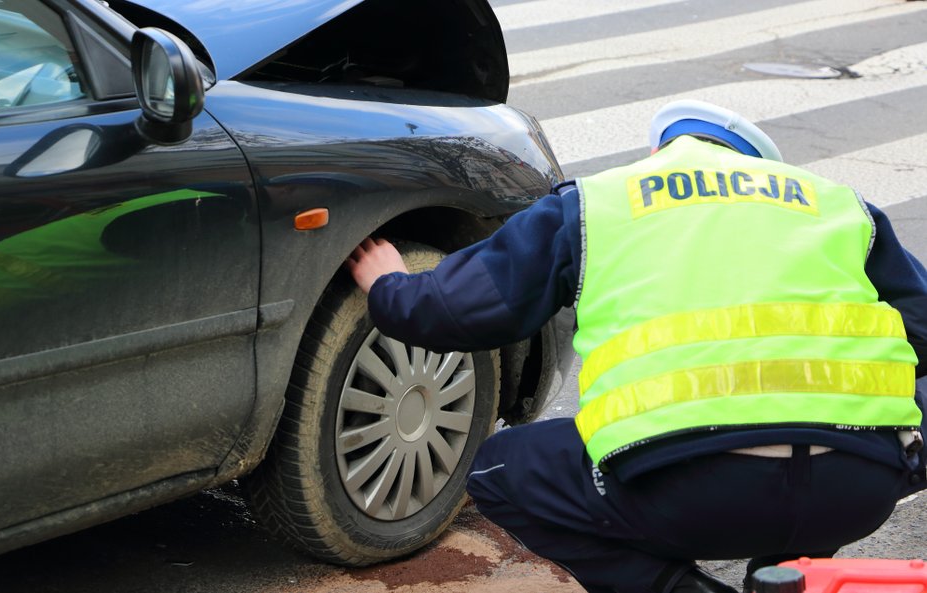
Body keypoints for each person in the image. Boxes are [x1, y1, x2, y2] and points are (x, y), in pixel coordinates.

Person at [344, 100, 927, 593]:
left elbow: (452, 310)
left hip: (685, 490)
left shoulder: (599, 203)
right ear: (765, 173)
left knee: (499, 469)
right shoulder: (836, 204)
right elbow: (921, 330)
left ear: (658, 155)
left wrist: (390, 284)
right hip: (857, 486)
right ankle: (794, 570)